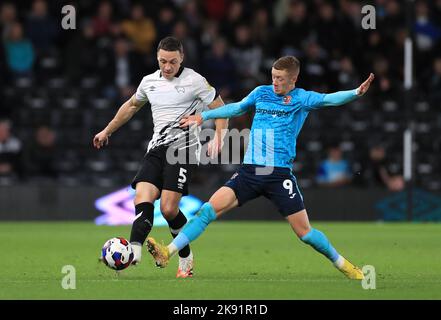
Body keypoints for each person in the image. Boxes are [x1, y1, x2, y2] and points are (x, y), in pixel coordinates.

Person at [146, 56, 375, 280]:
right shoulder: (261, 93)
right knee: (207, 211)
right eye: (273, 76)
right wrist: (203, 115)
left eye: (280, 79)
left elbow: (329, 99)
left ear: (293, 80)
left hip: (278, 175)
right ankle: (169, 252)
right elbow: (236, 108)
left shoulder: (301, 98)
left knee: (305, 234)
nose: (275, 82)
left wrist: (356, 92)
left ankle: (344, 265)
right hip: (250, 172)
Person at [93, 37, 227, 278]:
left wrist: (219, 137)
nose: (167, 67)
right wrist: (107, 130)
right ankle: (134, 252)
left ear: (182, 58)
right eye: (163, 61)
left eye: (173, 62)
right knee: (142, 199)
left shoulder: (195, 81)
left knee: (167, 209)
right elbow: (131, 106)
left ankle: (185, 257)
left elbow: (221, 108)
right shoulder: (149, 82)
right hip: (155, 150)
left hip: (182, 150)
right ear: (157, 59)